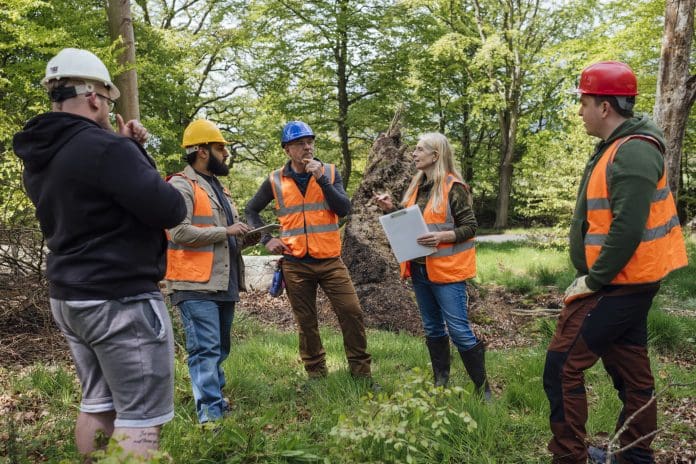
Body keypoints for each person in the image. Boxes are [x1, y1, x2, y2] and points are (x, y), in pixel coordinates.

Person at [12, 48, 187, 460]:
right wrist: (134, 152)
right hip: (120, 299)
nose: (110, 109)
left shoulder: (41, 155)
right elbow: (170, 209)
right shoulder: (108, 150)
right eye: (109, 101)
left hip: (71, 297)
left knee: (98, 403)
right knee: (140, 417)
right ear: (94, 96)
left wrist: (122, 147)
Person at [542, 61, 688, 464]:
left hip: (618, 283)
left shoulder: (635, 151)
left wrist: (594, 280)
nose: (580, 111)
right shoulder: (619, 147)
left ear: (605, 107)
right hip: (625, 281)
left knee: (561, 366)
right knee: (631, 372)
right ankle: (635, 456)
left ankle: (569, 457)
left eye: (584, 102)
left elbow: (627, 227)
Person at [245, 121, 373, 382]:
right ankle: (316, 375)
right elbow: (251, 210)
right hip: (295, 263)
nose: (307, 147)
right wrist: (266, 239)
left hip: (330, 260)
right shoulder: (275, 179)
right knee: (306, 321)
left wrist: (322, 180)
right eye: (300, 143)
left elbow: (344, 209)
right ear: (287, 150)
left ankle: (362, 374)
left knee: (352, 311)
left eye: (310, 142)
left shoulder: (329, 172)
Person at [374, 132, 491, 399]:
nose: (413, 154)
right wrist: (391, 208)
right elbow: (410, 224)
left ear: (435, 155)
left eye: (418, 150)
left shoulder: (454, 187)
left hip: (447, 272)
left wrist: (442, 237)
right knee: (432, 328)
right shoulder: (417, 187)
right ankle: (441, 383)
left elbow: (470, 227)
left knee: (460, 331)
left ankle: (483, 390)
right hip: (419, 269)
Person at [164, 119, 251, 424]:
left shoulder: (221, 189)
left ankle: (217, 402)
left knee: (220, 347)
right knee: (205, 349)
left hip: (222, 280)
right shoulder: (180, 185)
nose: (225, 153)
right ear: (201, 151)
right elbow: (178, 232)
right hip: (193, 283)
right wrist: (225, 230)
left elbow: (223, 235)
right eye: (219, 147)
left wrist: (243, 234)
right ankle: (210, 417)